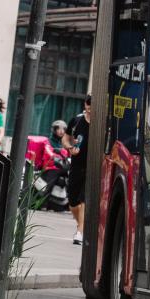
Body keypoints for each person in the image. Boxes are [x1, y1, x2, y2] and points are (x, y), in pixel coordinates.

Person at [61, 96, 92, 245]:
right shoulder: (76, 121)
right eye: (88, 105)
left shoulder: (104, 122)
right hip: (76, 164)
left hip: (93, 165)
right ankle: (80, 225)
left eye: (93, 105)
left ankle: (80, 231)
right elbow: (65, 139)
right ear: (85, 105)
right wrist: (69, 148)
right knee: (73, 201)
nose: (90, 108)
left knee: (84, 198)